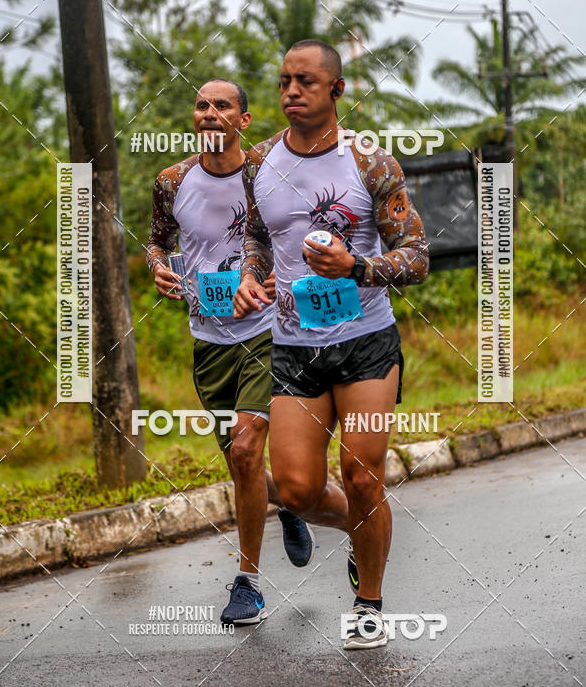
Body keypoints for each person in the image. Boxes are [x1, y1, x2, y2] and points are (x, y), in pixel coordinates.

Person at [233, 41, 429, 648]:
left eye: (307, 82)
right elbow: (258, 241)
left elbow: (417, 257)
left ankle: (368, 602)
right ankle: (360, 530)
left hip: (365, 342)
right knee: (293, 488)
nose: (292, 91)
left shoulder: (370, 163)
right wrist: (249, 275)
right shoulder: (258, 161)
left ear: (337, 91)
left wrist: (356, 266)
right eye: (285, 81)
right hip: (294, 346)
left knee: (364, 475)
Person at [146, 77, 314, 626]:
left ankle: (248, 583)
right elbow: (157, 239)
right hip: (208, 340)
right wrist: (157, 267)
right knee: (243, 464)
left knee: (245, 449)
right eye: (201, 105)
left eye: (222, 105)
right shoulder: (171, 182)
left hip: (268, 331)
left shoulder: (264, 175)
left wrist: (268, 278)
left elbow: (292, 235)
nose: (210, 113)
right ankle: (286, 504)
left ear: (243, 120)